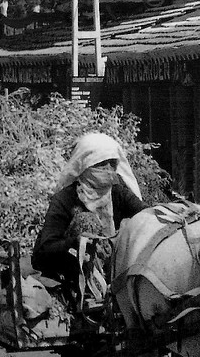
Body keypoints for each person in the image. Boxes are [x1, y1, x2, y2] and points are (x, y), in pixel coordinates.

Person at [32, 132, 147, 308]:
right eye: (102, 165)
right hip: (75, 280)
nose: (109, 170)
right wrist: (76, 243)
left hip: (118, 276)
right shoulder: (65, 199)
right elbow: (44, 250)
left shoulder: (118, 194)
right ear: (85, 165)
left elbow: (146, 215)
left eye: (113, 164)